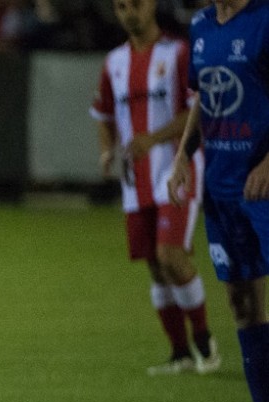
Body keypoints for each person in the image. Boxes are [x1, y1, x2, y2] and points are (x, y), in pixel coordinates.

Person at [91, 0, 217, 376]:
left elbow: (196, 109)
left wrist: (153, 138)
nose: (130, 12)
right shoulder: (114, 62)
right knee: (154, 264)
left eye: (136, 3)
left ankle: (205, 341)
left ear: (152, 5)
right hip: (137, 179)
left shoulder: (177, 52)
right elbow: (102, 113)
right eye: (121, 6)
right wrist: (107, 151)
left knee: (170, 255)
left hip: (178, 170)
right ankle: (180, 354)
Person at [168, 0, 269, 402]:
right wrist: (183, 156)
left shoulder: (265, 19)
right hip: (222, 188)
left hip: (263, 185)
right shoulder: (202, 25)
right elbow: (204, 97)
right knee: (242, 301)